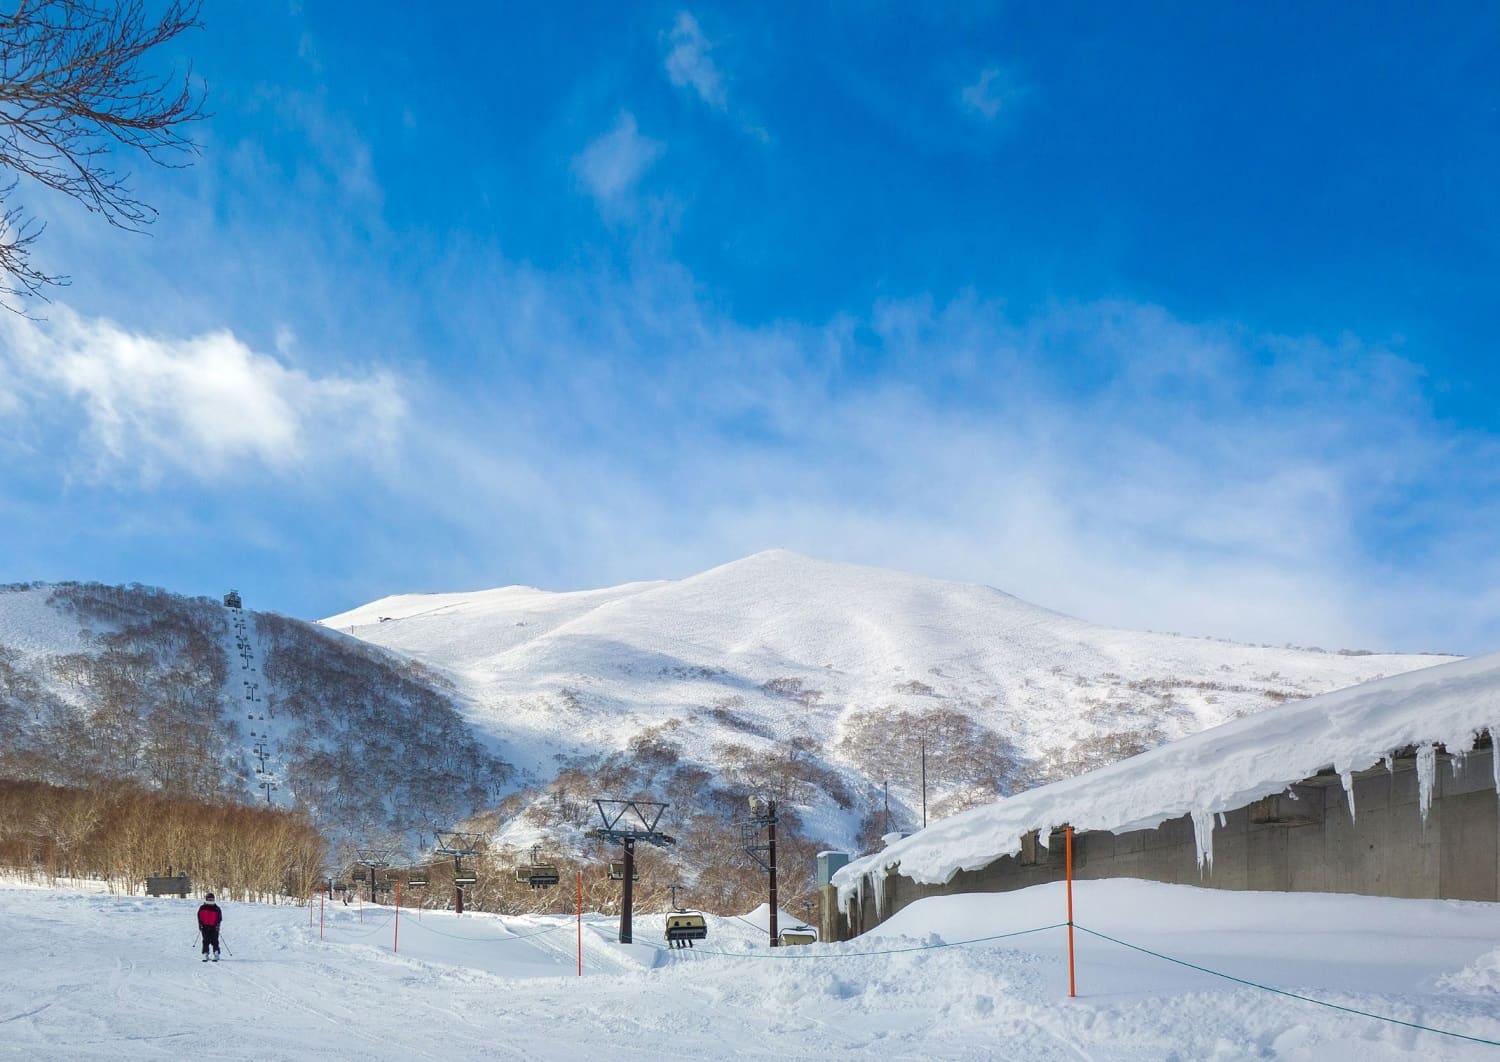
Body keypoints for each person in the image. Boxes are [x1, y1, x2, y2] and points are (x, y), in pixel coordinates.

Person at [197, 892, 223, 962]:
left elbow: (219, 918)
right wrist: (200, 925)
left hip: (214, 927)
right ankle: (205, 953)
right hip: (205, 927)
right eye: (209, 899)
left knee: (215, 941)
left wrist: (218, 925)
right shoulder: (202, 907)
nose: (210, 900)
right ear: (206, 899)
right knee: (206, 941)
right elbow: (199, 917)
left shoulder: (216, 908)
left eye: (212, 899)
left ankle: (216, 953)